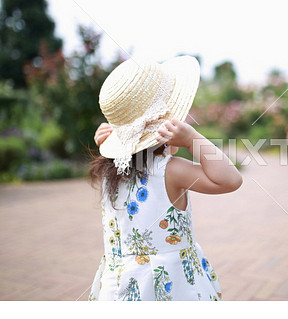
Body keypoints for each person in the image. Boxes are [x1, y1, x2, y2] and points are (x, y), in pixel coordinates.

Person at [88, 56, 242, 301]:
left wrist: (110, 145)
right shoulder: (169, 170)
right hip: (171, 288)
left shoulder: (110, 172)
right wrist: (193, 139)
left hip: (119, 288)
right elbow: (230, 179)